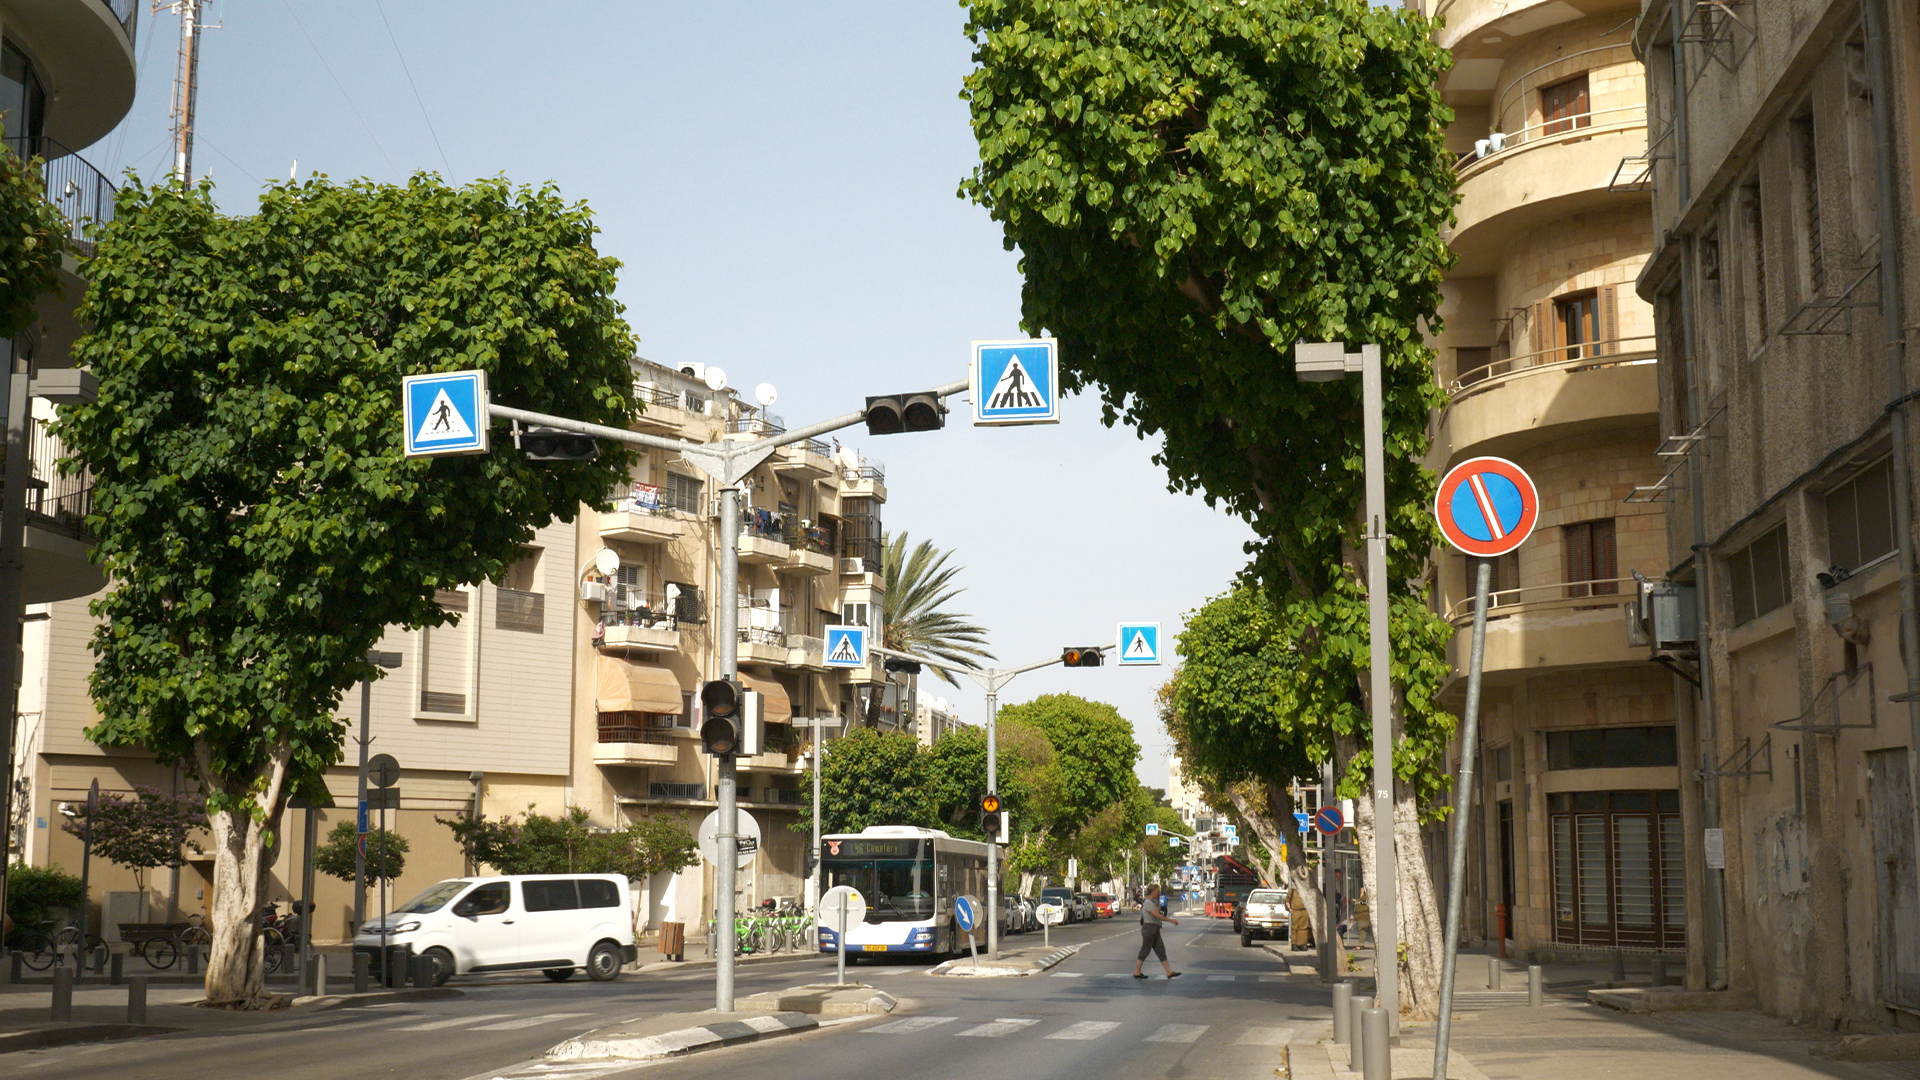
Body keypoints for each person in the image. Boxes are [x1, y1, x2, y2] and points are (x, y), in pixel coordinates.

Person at [1132, 883, 1182, 980]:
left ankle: (1169, 972)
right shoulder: (1147, 903)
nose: (1158, 892)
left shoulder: (1152, 902)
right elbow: (1157, 915)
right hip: (1149, 929)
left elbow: (1158, 910)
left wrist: (1158, 900)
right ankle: (1137, 971)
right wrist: (1171, 921)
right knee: (1145, 950)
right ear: (1152, 892)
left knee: (1160, 950)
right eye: (1157, 891)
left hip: (1154, 929)